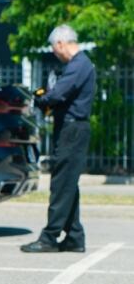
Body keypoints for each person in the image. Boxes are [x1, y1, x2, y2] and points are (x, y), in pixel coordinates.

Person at [21, 25, 96, 253]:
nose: (54, 52)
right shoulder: (79, 65)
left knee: (61, 184)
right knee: (68, 184)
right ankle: (74, 237)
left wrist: (41, 99)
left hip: (72, 131)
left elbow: (58, 94)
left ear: (62, 43)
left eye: (54, 47)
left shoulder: (78, 65)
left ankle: (49, 238)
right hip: (71, 129)